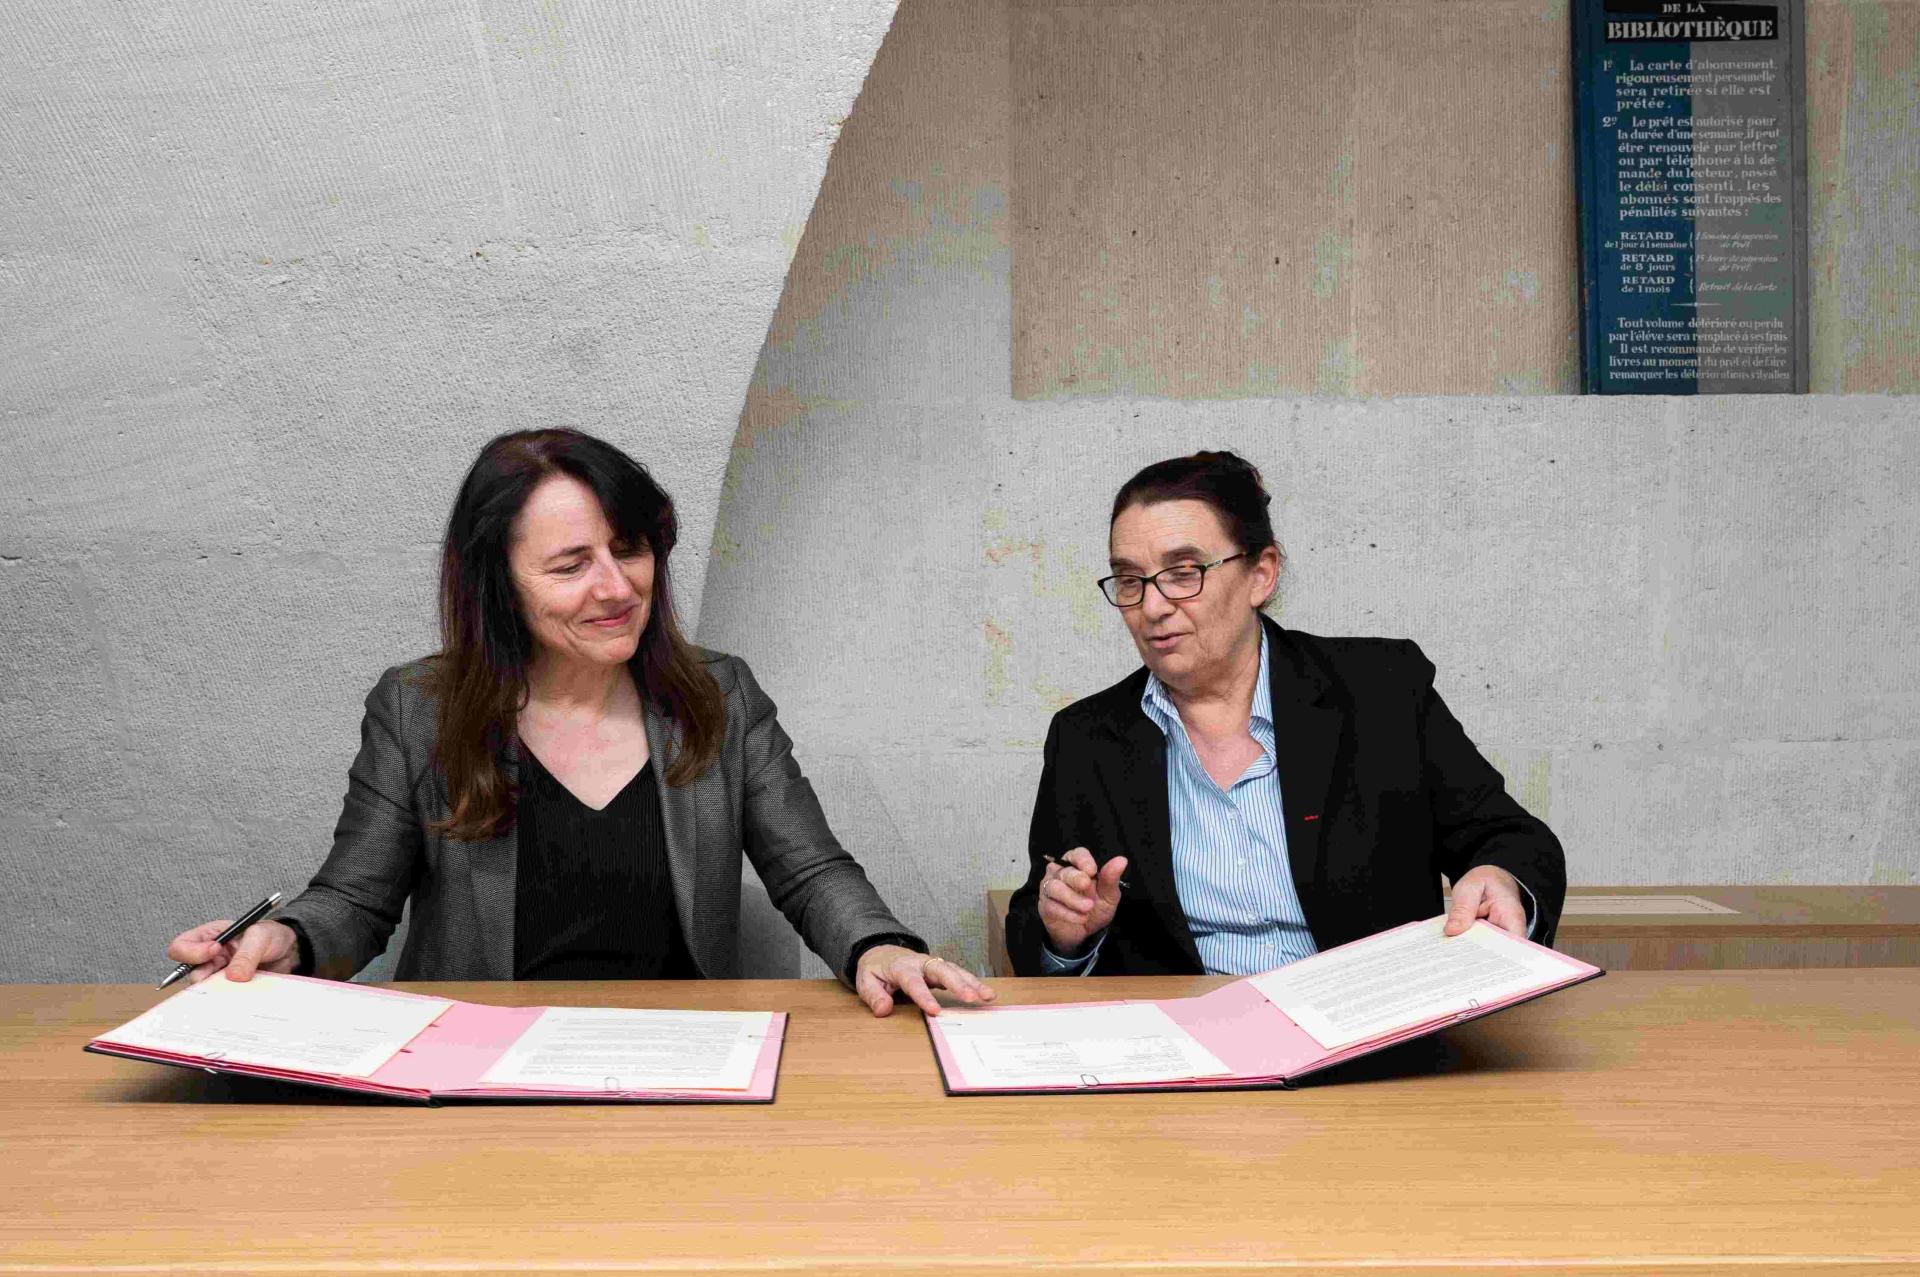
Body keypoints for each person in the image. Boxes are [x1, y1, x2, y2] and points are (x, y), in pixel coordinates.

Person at [167, 428, 991, 1018]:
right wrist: (290, 941)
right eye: (570, 566)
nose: (616, 587)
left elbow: (810, 869)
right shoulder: (417, 708)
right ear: (500, 585)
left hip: (678, 1060)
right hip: (473, 1065)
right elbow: (356, 896)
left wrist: (875, 943)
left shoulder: (720, 694)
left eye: (627, 550)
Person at [1006, 450, 1566, 977]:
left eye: (1184, 572)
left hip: (1369, 1034)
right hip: (1189, 1052)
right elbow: (1037, 921)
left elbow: (1511, 838)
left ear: (1260, 574)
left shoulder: (1380, 690)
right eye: (1130, 580)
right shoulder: (1088, 737)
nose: (1152, 607)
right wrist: (1066, 935)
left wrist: (1500, 877)